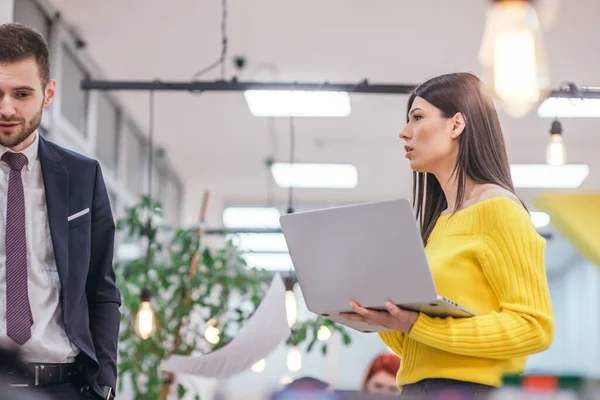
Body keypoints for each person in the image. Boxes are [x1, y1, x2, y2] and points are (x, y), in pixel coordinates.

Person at [341, 73, 554, 397]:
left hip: (471, 390)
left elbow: (533, 327)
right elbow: (420, 344)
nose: (404, 131)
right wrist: (384, 317)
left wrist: (417, 325)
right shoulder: (438, 224)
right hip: (417, 388)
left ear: (456, 125)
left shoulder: (499, 209)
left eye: (417, 117)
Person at [0, 23, 121, 399]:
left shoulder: (83, 177)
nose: (6, 108)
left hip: (64, 385)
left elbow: (101, 288)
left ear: (48, 93)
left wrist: (105, 381)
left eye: (22, 94)